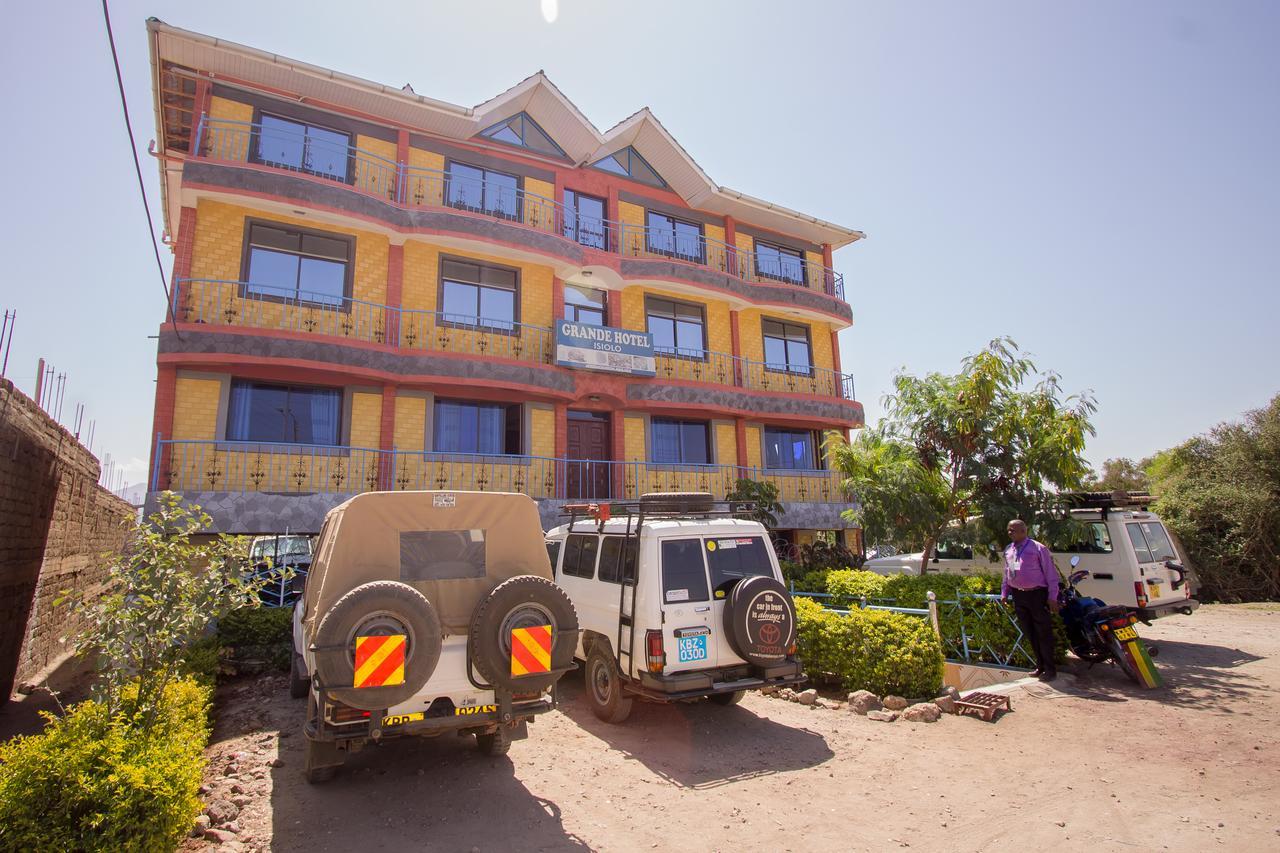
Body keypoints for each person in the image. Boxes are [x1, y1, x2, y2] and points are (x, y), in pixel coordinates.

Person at [1001, 519, 1061, 681]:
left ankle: (1050, 669)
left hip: (1037, 595)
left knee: (1043, 633)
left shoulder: (1038, 548)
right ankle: (1040, 665)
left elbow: (1051, 574)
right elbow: (1007, 573)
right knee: (1030, 632)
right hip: (1019, 596)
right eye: (1009, 530)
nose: (1010, 532)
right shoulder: (1009, 550)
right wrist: (1004, 592)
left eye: (1013, 530)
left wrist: (1052, 597)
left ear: (1023, 531)